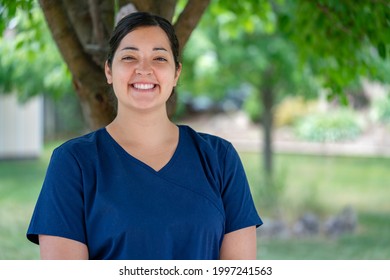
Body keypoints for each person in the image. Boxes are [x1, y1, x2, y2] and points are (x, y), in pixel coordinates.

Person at [26, 11, 262, 260]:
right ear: (109, 71)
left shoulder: (220, 159)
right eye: (129, 57)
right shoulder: (74, 162)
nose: (144, 69)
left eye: (159, 58)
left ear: (176, 73)